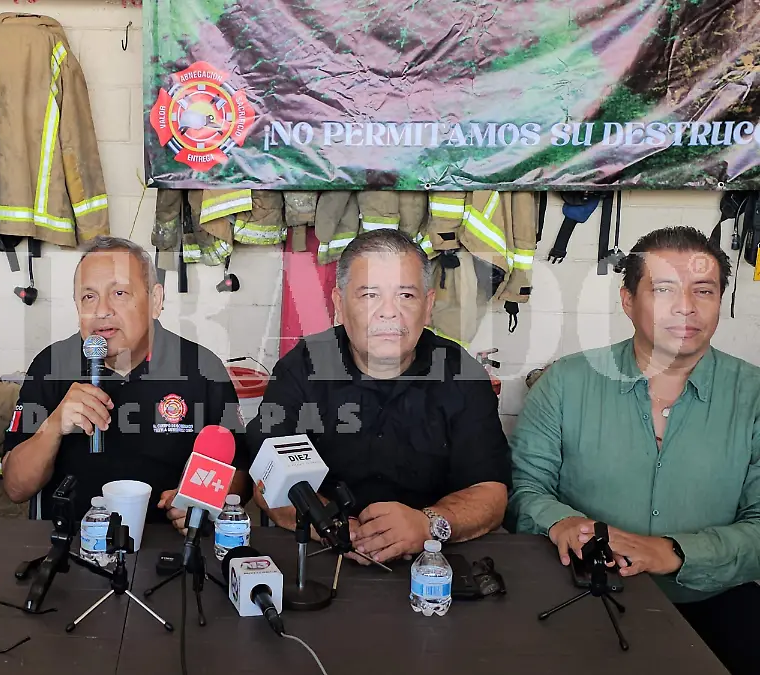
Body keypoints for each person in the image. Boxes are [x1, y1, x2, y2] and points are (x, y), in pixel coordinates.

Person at [508, 226, 760, 675]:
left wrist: (676, 552)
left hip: (718, 604)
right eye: (663, 290)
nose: (686, 307)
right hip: (583, 595)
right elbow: (524, 488)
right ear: (628, 301)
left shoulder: (754, 396)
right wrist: (561, 521)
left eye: (703, 290)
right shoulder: (567, 383)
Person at [247, 229, 510, 564]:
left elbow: (491, 494)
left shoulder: (462, 375)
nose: (389, 313)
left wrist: (429, 524)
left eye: (406, 296)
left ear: (428, 307)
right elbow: (266, 482)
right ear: (339, 305)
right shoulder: (301, 369)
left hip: (434, 565)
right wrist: (337, 528)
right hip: (323, 556)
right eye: (370, 295)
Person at [1, 236, 247, 532]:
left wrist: (206, 502)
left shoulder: (202, 370)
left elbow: (241, 477)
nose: (102, 310)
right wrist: (53, 426)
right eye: (88, 297)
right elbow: (15, 489)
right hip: (72, 544)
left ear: (155, 301)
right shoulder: (51, 366)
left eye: (119, 293)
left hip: (170, 544)